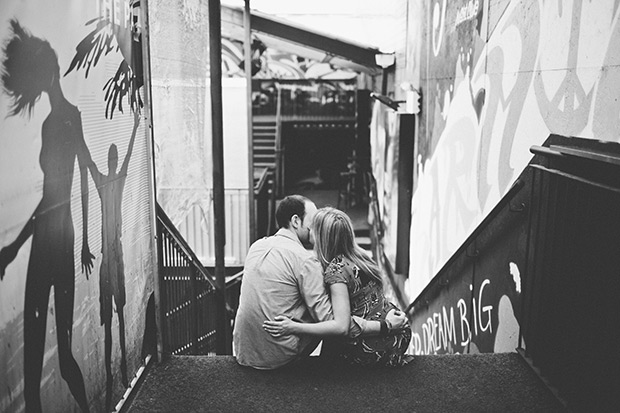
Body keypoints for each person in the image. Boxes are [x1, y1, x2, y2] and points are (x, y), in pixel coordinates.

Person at [0, 20, 93, 412]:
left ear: (48, 73)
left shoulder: (55, 123)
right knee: (65, 353)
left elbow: (52, 197)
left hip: (47, 243)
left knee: (35, 360)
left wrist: (13, 249)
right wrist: (86, 237)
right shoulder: (69, 116)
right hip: (66, 237)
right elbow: (87, 175)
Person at [233, 195, 406, 369]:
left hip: (244, 351)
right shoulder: (308, 262)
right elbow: (338, 325)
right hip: (280, 356)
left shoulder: (256, 246)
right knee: (324, 310)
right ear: (295, 221)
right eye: (313, 219)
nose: (313, 227)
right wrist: (386, 325)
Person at [88, 110, 139, 409]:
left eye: (113, 157)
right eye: (112, 157)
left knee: (116, 314)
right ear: (112, 160)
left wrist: (133, 127)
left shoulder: (112, 180)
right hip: (111, 256)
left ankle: (117, 370)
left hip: (113, 255)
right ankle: (114, 371)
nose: (114, 160)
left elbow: (128, 154)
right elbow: (90, 160)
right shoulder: (110, 181)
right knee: (112, 316)